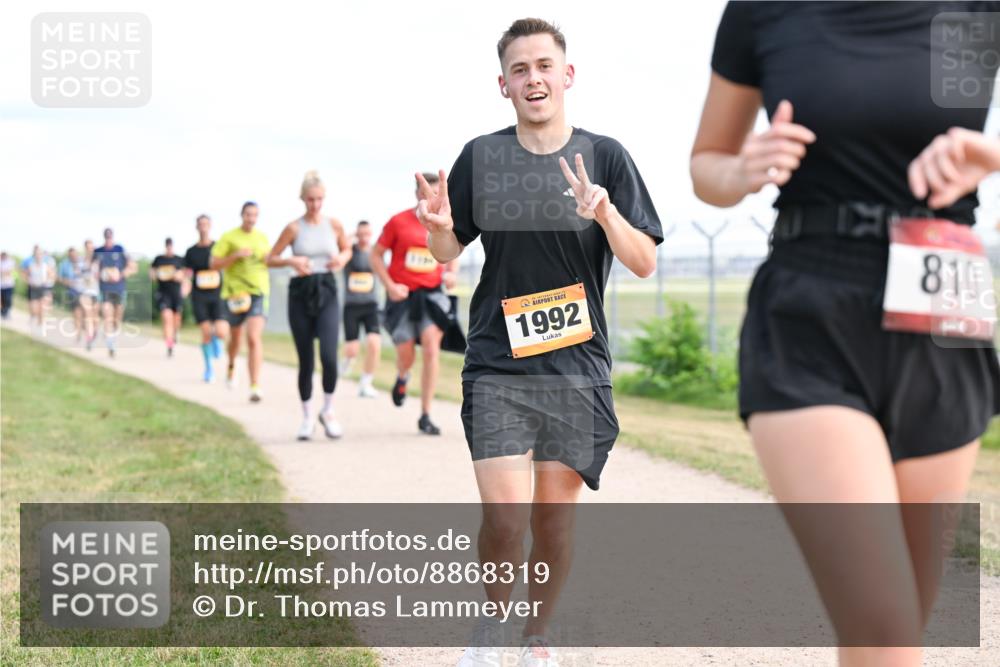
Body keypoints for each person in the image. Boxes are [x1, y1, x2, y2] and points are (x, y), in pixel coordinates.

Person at [691, 4, 1000, 665]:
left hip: (945, 304)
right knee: (883, 626)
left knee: (897, 626)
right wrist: (742, 171)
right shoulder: (763, 11)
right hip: (812, 305)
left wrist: (991, 154)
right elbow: (707, 163)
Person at [418, 18, 662, 666]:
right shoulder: (482, 156)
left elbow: (644, 261)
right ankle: (493, 624)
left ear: (567, 74)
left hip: (576, 367)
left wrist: (605, 212)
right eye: (520, 69)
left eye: (544, 65)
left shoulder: (606, 156)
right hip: (497, 362)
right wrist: (437, 227)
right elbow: (446, 248)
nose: (533, 78)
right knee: (505, 517)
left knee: (552, 521)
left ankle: (537, 636)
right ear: (503, 84)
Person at [370, 174, 461, 435]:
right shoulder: (398, 222)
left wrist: (451, 273)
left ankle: (426, 414)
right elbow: (375, 255)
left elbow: (455, 248)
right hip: (402, 297)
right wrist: (389, 286)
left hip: (432, 295)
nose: (431, 197)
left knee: (431, 349)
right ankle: (402, 376)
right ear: (417, 194)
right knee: (406, 354)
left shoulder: (444, 221)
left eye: (436, 192)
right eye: (426, 192)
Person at [266, 171, 352, 439]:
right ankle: (306, 418)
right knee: (306, 360)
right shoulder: (293, 228)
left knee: (329, 356)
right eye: (310, 199)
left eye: (319, 199)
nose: (315, 204)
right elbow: (270, 258)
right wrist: (292, 261)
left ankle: (328, 411)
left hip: (327, 290)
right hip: (300, 292)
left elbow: (347, 249)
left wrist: (341, 259)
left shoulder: (334, 225)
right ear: (302, 198)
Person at [211, 202, 270, 402]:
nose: (251, 219)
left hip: (258, 292)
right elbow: (214, 264)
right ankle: (231, 364)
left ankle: (255, 386)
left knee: (253, 337)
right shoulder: (229, 237)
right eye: (248, 214)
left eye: (255, 215)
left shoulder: (262, 238)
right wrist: (235, 256)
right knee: (234, 338)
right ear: (242, 215)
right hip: (234, 294)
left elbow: (269, 261)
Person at [184, 214, 230, 382]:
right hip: (199, 295)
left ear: (210, 226)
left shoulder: (218, 248)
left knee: (221, 331)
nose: (203, 227)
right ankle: (209, 368)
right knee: (205, 333)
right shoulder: (191, 252)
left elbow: (226, 265)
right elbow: (187, 273)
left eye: (206, 224)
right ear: (197, 227)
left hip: (217, 294)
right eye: (200, 224)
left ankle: (218, 341)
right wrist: (185, 285)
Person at [340, 220, 381, 398]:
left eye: (367, 234)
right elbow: (339, 249)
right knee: (352, 350)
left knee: (374, 343)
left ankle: (366, 383)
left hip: (371, 305)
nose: (364, 238)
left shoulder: (375, 252)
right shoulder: (350, 251)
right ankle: (347, 361)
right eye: (360, 234)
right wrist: (350, 238)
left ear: (371, 235)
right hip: (352, 306)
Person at [93, 227, 136, 357]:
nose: (108, 239)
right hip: (105, 288)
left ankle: (114, 337)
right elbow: (92, 267)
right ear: (104, 237)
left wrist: (120, 274)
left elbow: (132, 266)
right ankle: (110, 343)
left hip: (119, 288)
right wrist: (97, 273)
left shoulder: (120, 249)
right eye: (106, 237)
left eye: (110, 237)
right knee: (107, 315)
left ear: (112, 237)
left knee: (117, 318)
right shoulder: (98, 251)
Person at [150, 237, 188, 357]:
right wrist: (158, 274)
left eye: (170, 245)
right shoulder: (158, 259)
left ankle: (175, 333)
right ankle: (169, 345)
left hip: (176, 293)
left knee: (176, 319)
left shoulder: (179, 260)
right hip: (163, 293)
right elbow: (152, 275)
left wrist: (180, 277)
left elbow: (186, 275)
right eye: (167, 245)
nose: (169, 247)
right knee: (167, 318)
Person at [58, 246, 98, 346]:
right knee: (79, 314)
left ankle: (89, 334)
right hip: (78, 292)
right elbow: (71, 275)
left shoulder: (97, 263)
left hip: (92, 292)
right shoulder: (77, 263)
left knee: (89, 315)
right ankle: (83, 336)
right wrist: (68, 281)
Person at [21, 245, 56, 332]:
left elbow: (52, 275)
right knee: (34, 308)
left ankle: (40, 326)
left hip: (42, 288)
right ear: (34, 255)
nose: (38, 256)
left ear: (42, 255)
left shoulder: (45, 266)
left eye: (40, 254)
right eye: (36, 254)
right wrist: (29, 281)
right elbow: (24, 274)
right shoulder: (31, 265)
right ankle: (33, 318)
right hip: (33, 288)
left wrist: (47, 280)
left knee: (42, 308)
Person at [0, 252, 15, 319]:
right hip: (1, 285)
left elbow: (10, 271)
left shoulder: (10, 262)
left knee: (8, 299)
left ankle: (7, 312)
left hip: (9, 284)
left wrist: (3, 273)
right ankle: (2, 312)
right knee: (2, 299)